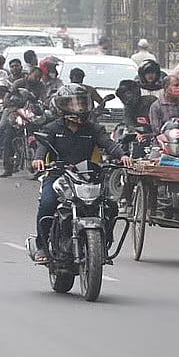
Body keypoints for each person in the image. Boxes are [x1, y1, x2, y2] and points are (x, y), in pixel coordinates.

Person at [29, 85, 132, 263]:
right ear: (62, 107)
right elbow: (42, 146)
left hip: (86, 176)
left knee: (110, 207)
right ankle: (41, 246)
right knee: (47, 204)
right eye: (73, 104)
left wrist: (122, 156)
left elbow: (108, 143)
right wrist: (39, 160)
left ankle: (102, 245)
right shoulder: (52, 128)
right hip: (58, 175)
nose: (79, 108)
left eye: (82, 103)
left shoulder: (93, 129)